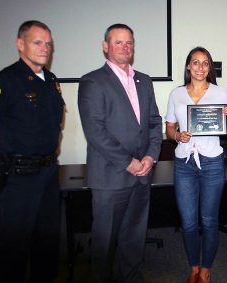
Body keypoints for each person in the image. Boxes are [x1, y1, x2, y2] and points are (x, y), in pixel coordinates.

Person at [0, 20, 64, 282]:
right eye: (37, 42)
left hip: (49, 175)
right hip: (18, 178)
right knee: (12, 250)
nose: (44, 48)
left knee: (48, 245)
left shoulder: (50, 81)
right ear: (20, 44)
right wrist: (1, 166)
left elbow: (54, 124)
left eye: (48, 44)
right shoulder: (4, 82)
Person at [78, 23, 162, 282]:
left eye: (129, 42)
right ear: (105, 47)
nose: (126, 47)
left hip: (142, 174)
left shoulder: (144, 81)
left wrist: (150, 156)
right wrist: (129, 163)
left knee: (134, 239)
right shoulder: (92, 81)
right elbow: (96, 132)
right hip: (110, 178)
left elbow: (154, 123)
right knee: (105, 242)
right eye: (118, 42)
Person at [165, 46, 227, 283]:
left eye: (205, 63)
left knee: (209, 220)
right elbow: (169, 127)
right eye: (196, 62)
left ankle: (206, 269)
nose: (200, 67)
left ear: (209, 68)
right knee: (189, 222)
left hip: (212, 161)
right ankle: (193, 267)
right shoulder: (176, 94)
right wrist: (176, 136)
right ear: (188, 66)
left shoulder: (221, 93)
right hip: (184, 163)